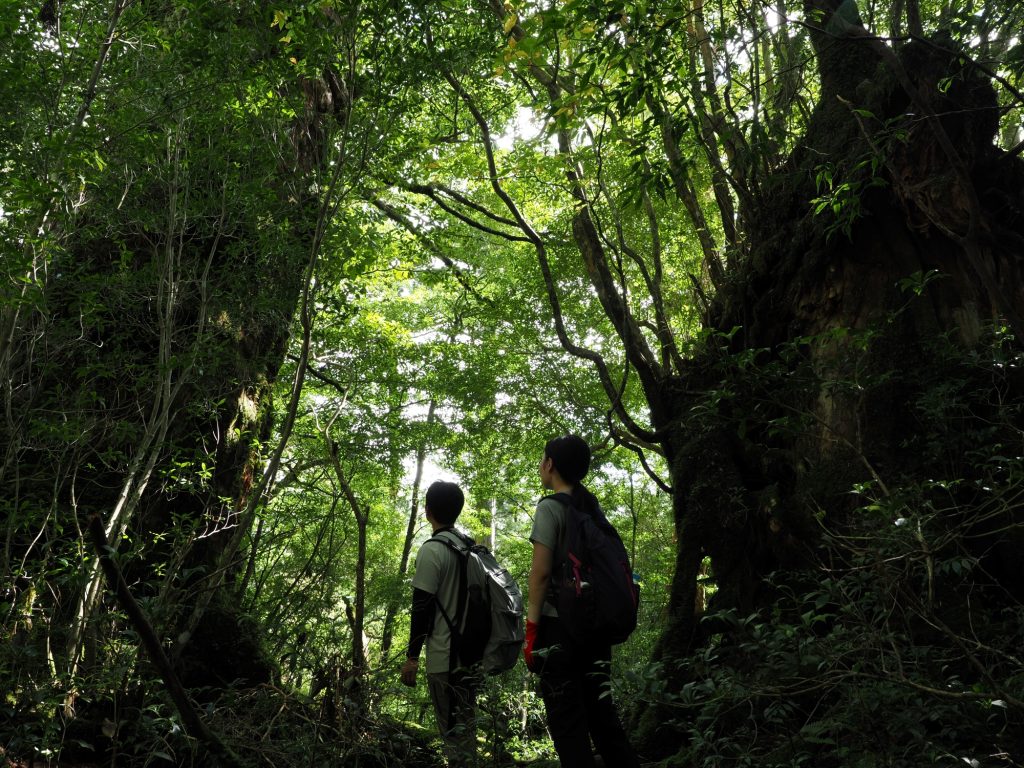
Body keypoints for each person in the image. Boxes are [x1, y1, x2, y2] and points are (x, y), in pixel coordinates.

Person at [523, 435, 642, 768]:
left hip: (559, 629)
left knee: (567, 723)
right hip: (594, 626)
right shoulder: (590, 508)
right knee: (603, 717)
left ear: (550, 465)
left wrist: (531, 631)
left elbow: (541, 575)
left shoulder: (550, 507)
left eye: (543, 459)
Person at [400, 480, 479, 767]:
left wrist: (412, 658)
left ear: (427, 511)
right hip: (471, 655)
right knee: (467, 728)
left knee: (450, 733)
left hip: (444, 657)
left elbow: (421, 608)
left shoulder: (432, 550)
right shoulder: (469, 547)